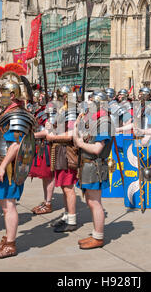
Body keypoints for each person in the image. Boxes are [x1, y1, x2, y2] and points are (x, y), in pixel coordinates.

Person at [0, 77, 35, 259]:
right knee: (4, 205)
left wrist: (2, 167)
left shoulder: (17, 114)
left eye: (2, 92)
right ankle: (8, 238)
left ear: (12, 95)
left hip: (9, 167)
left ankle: (11, 244)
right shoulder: (4, 113)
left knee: (9, 205)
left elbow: (15, 145)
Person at [73, 91, 112, 249]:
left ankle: (98, 237)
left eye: (91, 103)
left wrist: (81, 144)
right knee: (90, 201)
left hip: (95, 166)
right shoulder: (93, 120)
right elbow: (77, 132)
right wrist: (79, 119)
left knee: (95, 202)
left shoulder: (104, 122)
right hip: (86, 165)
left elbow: (97, 148)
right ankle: (96, 233)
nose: (88, 105)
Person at [46, 86, 79, 233]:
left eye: (60, 96)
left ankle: (71, 220)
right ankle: (66, 216)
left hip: (67, 151)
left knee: (68, 187)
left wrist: (53, 137)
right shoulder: (62, 110)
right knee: (63, 187)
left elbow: (71, 134)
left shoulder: (71, 110)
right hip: (59, 150)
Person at [29, 92, 55, 215]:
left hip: (48, 146)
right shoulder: (40, 110)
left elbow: (47, 132)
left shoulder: (51, 111)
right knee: (44, 176)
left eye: (41, 96)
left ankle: (48, 203)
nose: (39, 98)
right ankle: (46, 201)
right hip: (40, 145)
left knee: (49, 175)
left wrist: (31, 136)